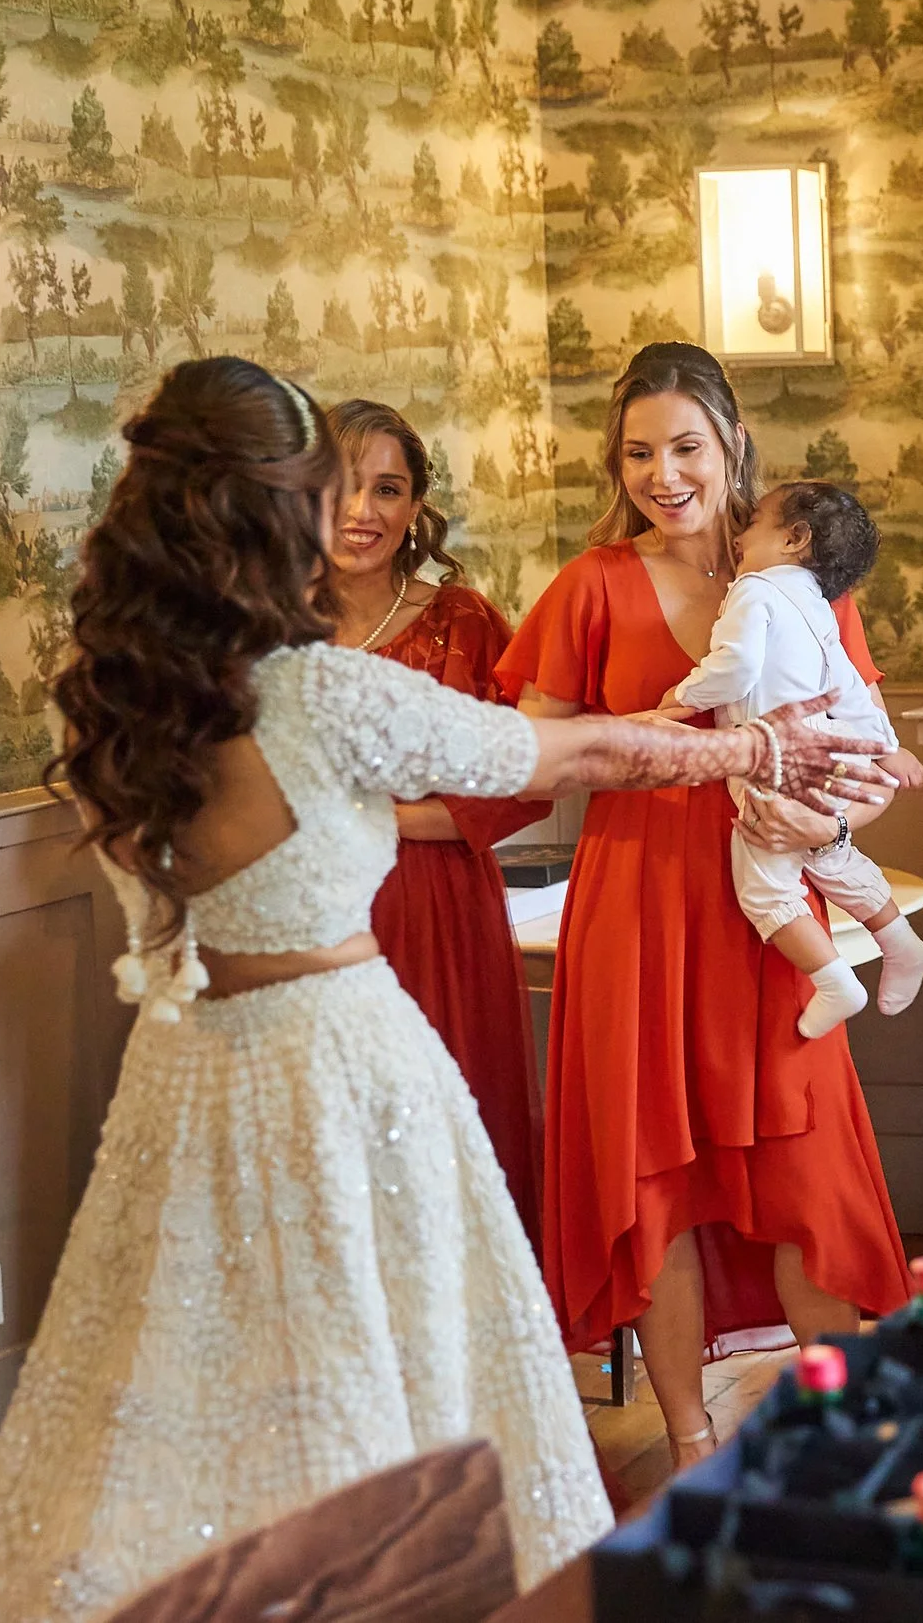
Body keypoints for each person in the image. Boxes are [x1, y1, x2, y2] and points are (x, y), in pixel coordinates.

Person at [0, 358, 889, 1622]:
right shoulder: (321, 690)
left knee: (202, 1358)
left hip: (186, 1070)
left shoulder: (116, 700)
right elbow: (573, 745)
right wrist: (750, 742)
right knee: (398, 1352)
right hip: (347, 1060)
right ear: (280, 510)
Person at [499, 342, 915, 1468]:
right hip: (634, 908)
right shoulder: (590, 583)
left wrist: (830, 827)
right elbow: (534, 757)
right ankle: (686, 1440)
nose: (663, 473)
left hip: (765, 910)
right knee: (657, 1187)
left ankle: (834, 1444)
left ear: (730, 440)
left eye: (684, 445)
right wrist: (665, 753)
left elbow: (869, 755)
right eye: (638, 452)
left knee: (808, 1175)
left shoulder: (801, 579)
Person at [326, 397, 549, 1252]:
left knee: (447, 1129)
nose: (363, 512)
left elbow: (525, 769)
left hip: (436, 915)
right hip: (303, 917)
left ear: (416, 508)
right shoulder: (253, 633)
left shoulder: (462, 622)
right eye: (344, 486)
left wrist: (382, 815)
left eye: (388, 489)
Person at [669, 479, 923, 1039]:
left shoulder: (753, 589)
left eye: (754, 522)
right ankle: (900, 941)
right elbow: (850, 688)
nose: (740, 533)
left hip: (774, 764)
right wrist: (887, 747)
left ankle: (834, 980)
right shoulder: (815, 606)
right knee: (831, 860)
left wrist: (684, 695)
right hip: (825, 758)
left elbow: (735, 667)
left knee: (766, 887)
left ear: (794, 537)